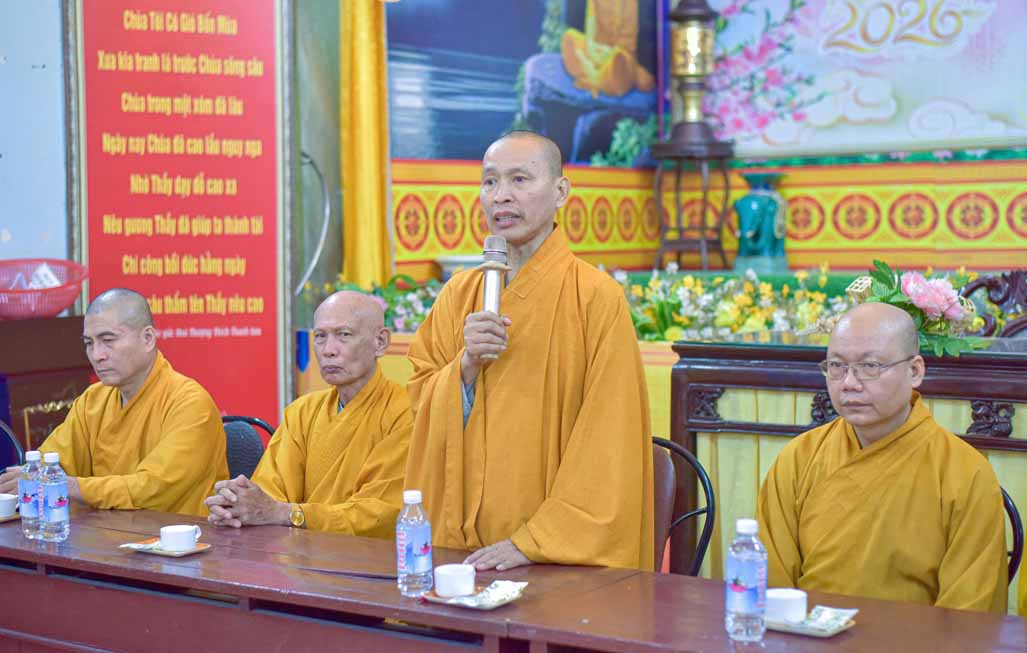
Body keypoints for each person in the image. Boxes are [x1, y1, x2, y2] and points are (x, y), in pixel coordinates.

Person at [406, 131, 653, 572]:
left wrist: (535, 542)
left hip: (551, 552)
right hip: (462, 545)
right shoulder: (459, 295)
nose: (501, 196)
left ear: (561, 192)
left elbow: (609, 439)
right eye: (490, 182)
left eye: (519, 180)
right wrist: (464, 368)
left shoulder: (595, 297)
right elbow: (419, 405)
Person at [757, 302, 1007, 613]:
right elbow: (771, 585)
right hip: (806, 634)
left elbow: (969, 612)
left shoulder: (966, 474)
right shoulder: (799, 458)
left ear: (914, 371)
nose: (849, 383)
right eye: (836, 366)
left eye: (870, 366)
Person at [0, 288, 227, 516]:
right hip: (103, 533)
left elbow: (152, 487)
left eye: (108, 340)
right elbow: (51, 463)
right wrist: (27, 478)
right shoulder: (93, 400)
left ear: (148, 339)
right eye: (89, 343)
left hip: (177, 534)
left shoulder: (190, 404)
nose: (97, 355)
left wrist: (66, 485)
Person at [205, 291, 411, 537]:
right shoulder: (302, 413)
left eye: (344, 334)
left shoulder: (405, 413)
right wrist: (239, 506)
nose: (328, 350)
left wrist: (290, 514)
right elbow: (270, 494)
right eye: (320, 336)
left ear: (380, 342)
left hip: (370, 557)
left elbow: (379, 513)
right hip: (296, 551)